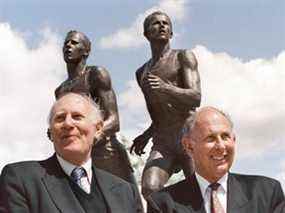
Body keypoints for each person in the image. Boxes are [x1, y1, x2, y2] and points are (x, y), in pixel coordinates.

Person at [0, 93, 143, 213]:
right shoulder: (21, 179)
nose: (68, 124)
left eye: (77, 116)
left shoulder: (126, 191)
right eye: (60, 118)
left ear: (98, 129)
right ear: (51, 132)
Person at [147, 106, 284, 213]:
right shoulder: (163, 203)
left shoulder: (267, 192)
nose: (221, 146)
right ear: (188, 146)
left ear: (233, 140)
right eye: (210, 138)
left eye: (225, 137)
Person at [130, 11, 201, 198]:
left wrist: (165, 88)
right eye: (155, 23)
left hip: (188, 134)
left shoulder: (183, 57)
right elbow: (158, 114)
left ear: (171, 33)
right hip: (163, 141)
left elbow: (195, 97)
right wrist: (146, 135)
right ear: (146, 34)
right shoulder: (141, 73)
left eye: (166, 23)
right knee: (150, 189)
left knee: (200, 190)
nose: (162, 26)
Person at [55, 30, 136, 185]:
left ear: (86, 51)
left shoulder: (96, 74)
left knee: (128, 205)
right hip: (77, 157)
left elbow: (114, 120)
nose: (68, 46)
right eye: (66, 43)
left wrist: (88, 135)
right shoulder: (60, 91)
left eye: (74, 42)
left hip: (107, 154)